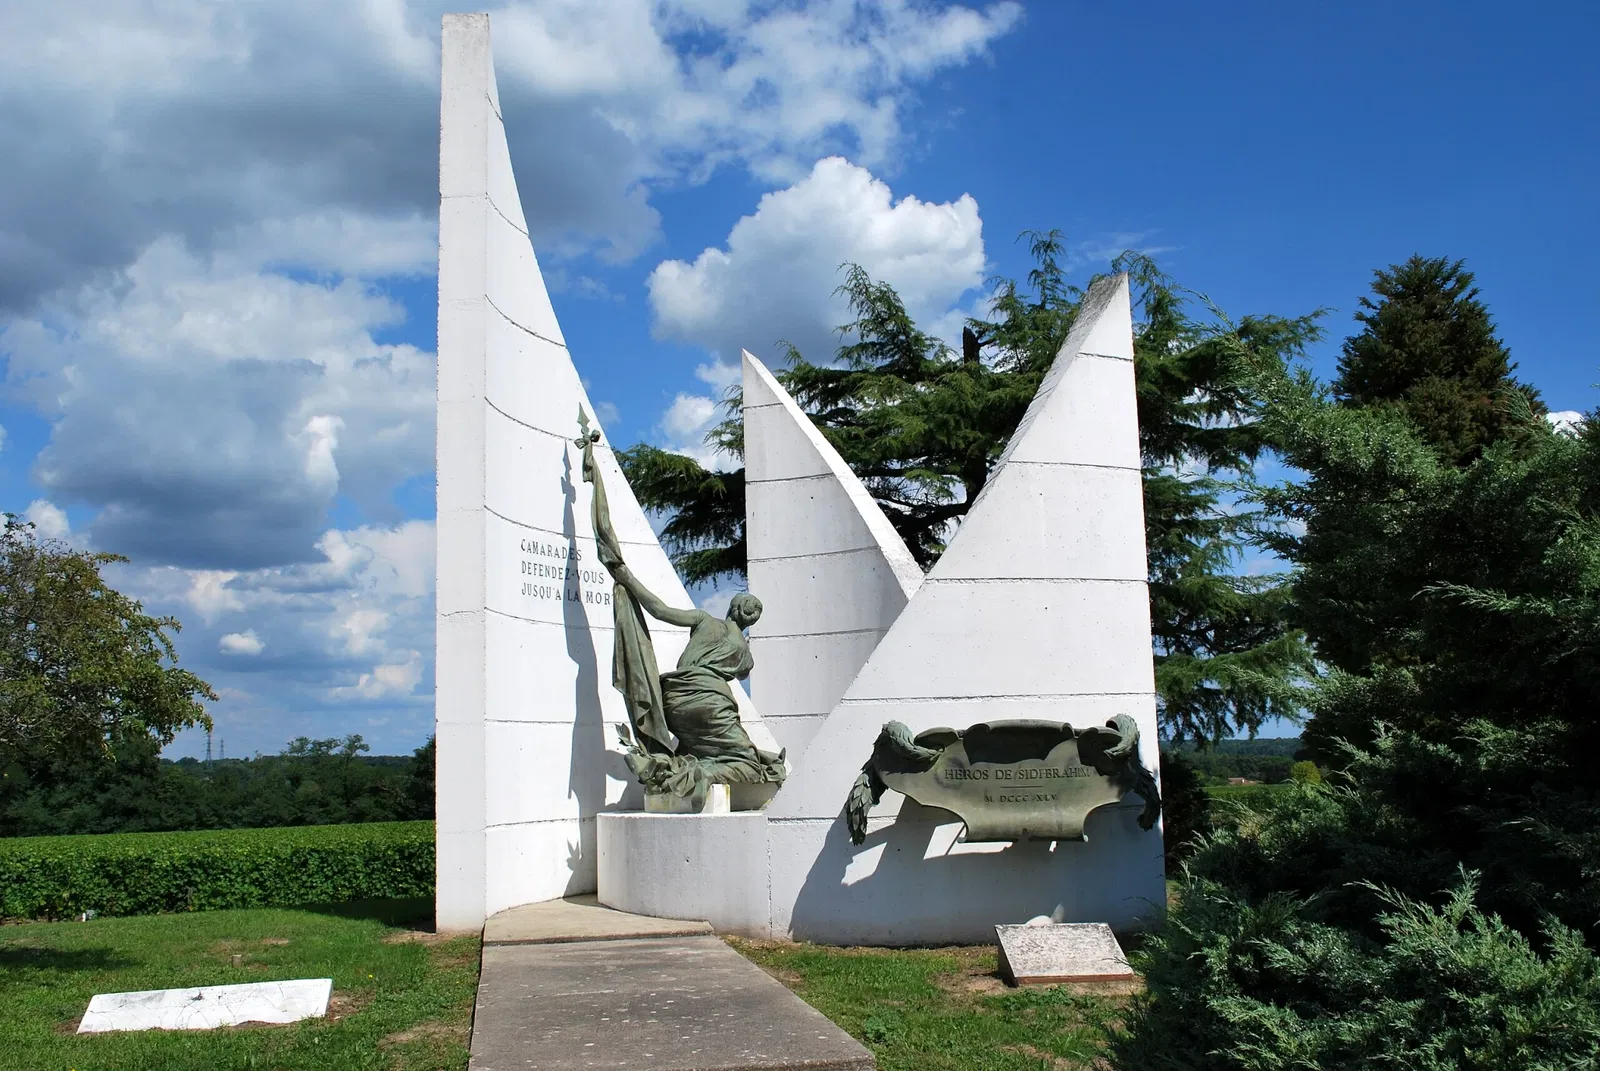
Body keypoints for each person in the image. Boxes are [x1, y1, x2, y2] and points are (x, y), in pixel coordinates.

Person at [609, 564, 785, 792]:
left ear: (732, 609)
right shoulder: (745, 655)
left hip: (672, 702)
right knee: (750, 764)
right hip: (711, 703)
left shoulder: (704, 619)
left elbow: (659, 610)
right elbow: (743, 673)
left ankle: (663, 767)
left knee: (695, 750)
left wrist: (628, 579)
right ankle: (699, 775)